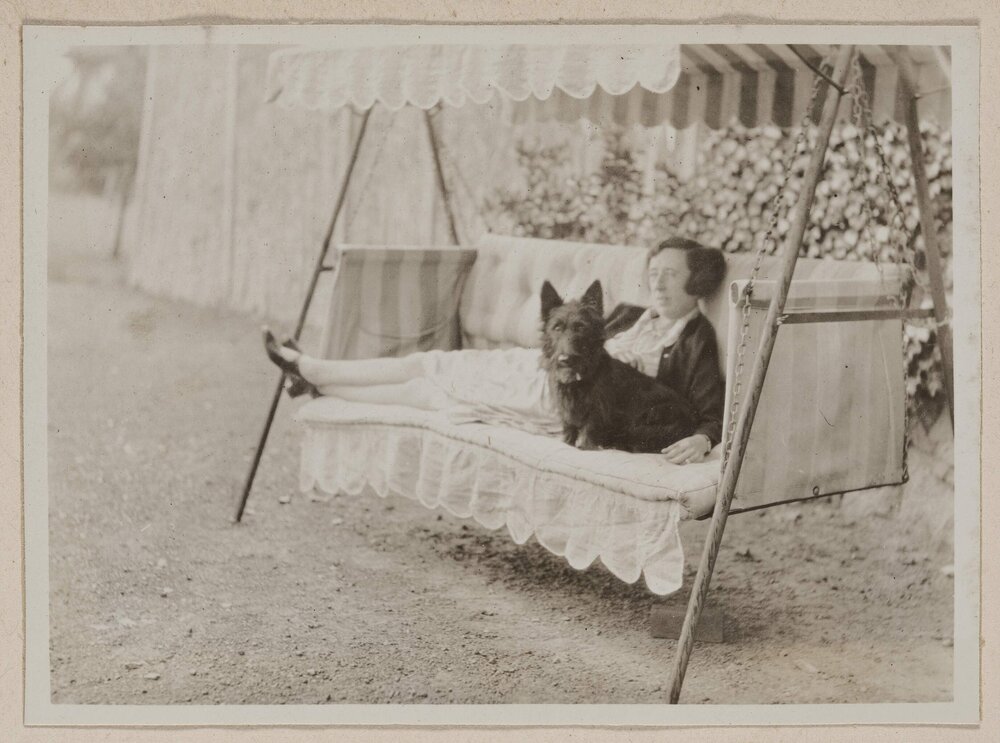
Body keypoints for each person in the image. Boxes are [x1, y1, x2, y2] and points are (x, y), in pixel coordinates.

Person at [265, 237, 726, 465]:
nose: (659, 282)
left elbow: (711, 409)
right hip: (531, 369)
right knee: (428, 362)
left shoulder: (693, 339)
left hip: (564, 402)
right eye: (655, 271)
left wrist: (704, 437)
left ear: (697, 281)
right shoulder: (631, 312)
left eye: (671, 273)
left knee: (433, 394)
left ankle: (312, 375)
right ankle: (313, 369)